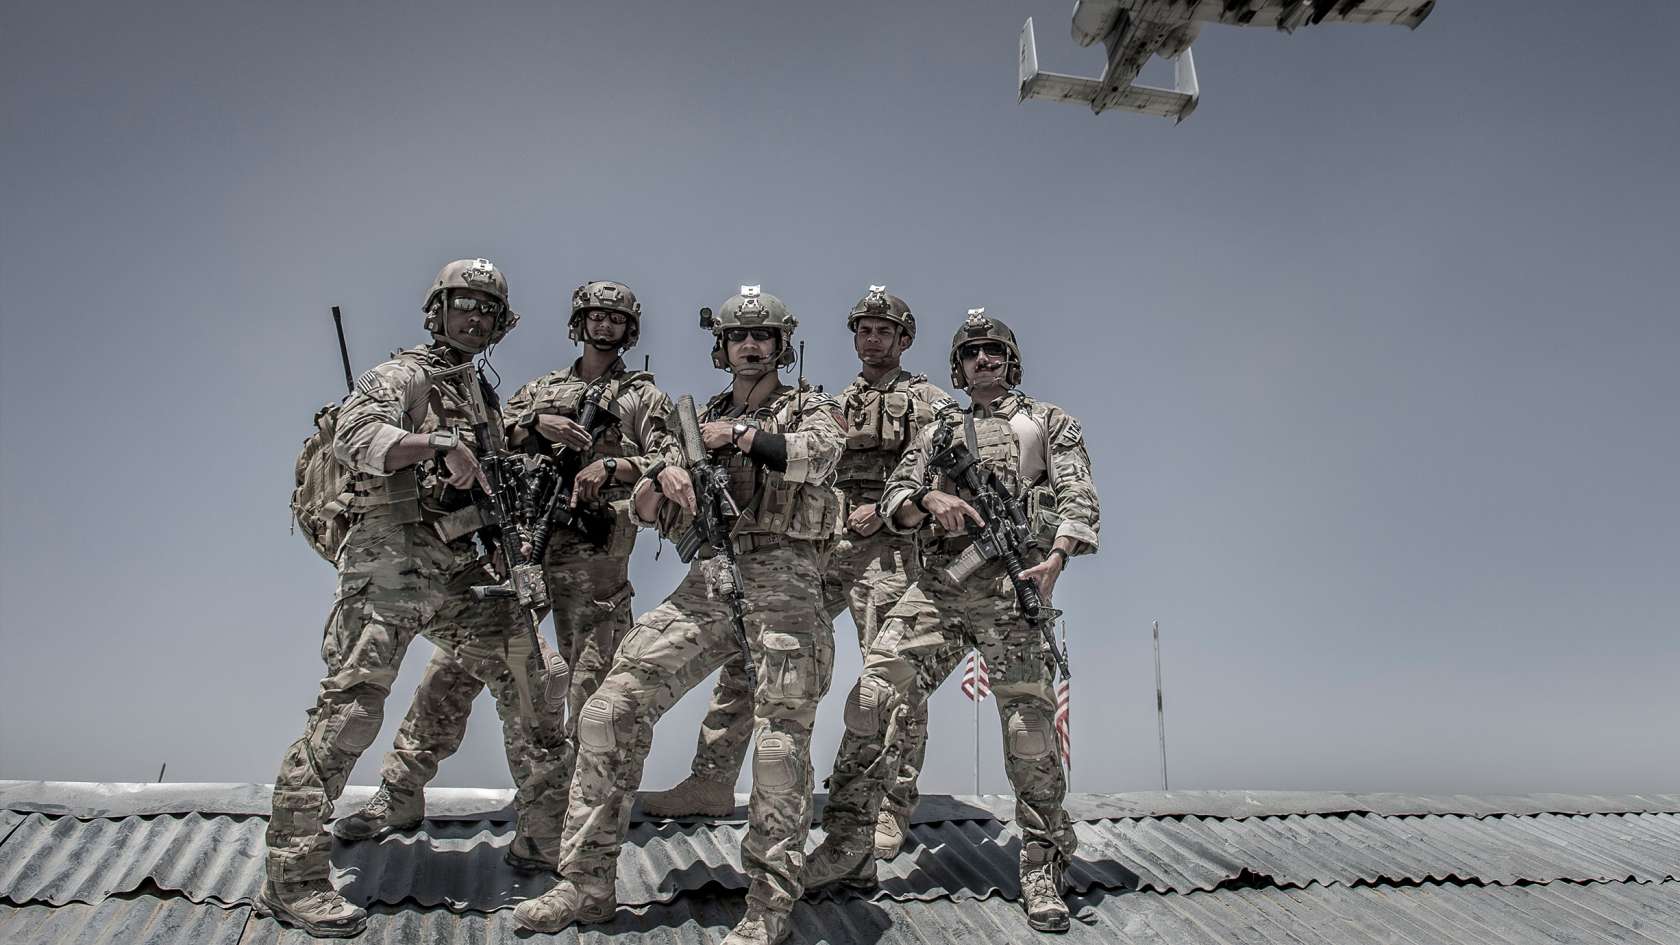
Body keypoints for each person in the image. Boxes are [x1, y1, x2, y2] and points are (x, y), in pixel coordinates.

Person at [513, 286, 845, 945]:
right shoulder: (694, 419)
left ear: (782, 345)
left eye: (764, 336)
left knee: (779, 746)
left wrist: (743, 436)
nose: (751, 345)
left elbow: (818, 455)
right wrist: (650, 489)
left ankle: (768, 906)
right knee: (609, 710)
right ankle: (586, 882)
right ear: (722, 348)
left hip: (785, 578)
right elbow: (652, 496)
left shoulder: (809, 405)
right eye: (738, 336)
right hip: (712, 579)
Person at [259, 259, 572, 938]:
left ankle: (545, 838)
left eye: (489, 310)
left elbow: (481, 480)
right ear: (436, 310)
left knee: (533, 670)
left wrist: (518, 438)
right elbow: (357, 434)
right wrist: (431, 441)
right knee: (350, 711)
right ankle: (293, 876)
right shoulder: (406, 373)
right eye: (463, 304)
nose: (475, 317)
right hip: (391, 564)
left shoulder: (477, 391)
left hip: (459, 571)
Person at [331, 280, 679, 870]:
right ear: (578, 323)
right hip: (522, 544)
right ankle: (400, 790)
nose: (605, 327)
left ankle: (569, 819)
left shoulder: (644, 398)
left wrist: (613, 464)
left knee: (589, 688)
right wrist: (537, 425)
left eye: (617, 320)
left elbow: (671, 462)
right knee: (459, 666)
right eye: (595, 316)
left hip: (595, 558)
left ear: (630, 330)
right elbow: (491, 443)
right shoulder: (540, 389)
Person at [801, 308, 1101, 933]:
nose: (982, 362)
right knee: (871, 699)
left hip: (1013, 590)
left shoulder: (1048, 422)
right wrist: (926, 500)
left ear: (1010, 360)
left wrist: (1055, 560)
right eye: (971, 354)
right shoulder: (940, 425)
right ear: (958, 367)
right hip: (940, 586)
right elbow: (895, 495)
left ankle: (1043, 861)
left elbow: (1078, 498)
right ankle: (847, 846)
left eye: (993, 352)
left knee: (1030, 731)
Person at [641, 285, 949, 860]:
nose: (873, 338)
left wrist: (888, 507)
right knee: (751, 651)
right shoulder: (830, 398)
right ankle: (711, 778)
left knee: (889, 677)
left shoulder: (932, 402)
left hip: (889, 547)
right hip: (822, 544)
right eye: (864, 328)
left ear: (905, 339)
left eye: (885, 329)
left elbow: (942, 472)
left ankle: (888, 804)